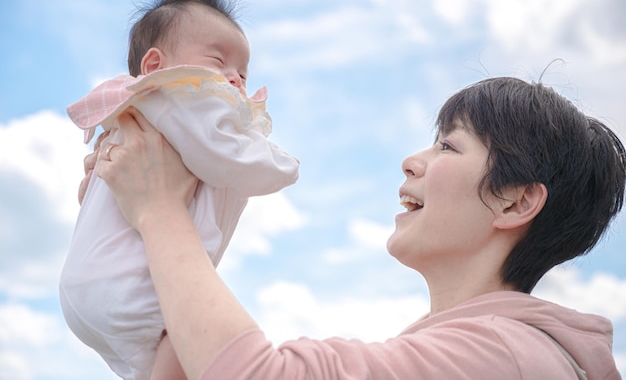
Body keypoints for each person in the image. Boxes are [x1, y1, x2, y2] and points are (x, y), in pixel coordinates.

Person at [90, 76, 625, 380]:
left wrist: (160, 211)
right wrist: (151, 222)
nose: (411, 162)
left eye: (448, 145)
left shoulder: (502, 355)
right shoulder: (492, 352)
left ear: (515, 201)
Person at [59, 0, 299, 380]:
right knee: (192, 340)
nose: (236, 79)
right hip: (133, 284)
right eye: (218, 60)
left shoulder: (138, 111)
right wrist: (281, 163)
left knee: (176, 348)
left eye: (243, 70)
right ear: (156, 65)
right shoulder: (179, 96)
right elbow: (239, 165)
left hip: (92, 283)